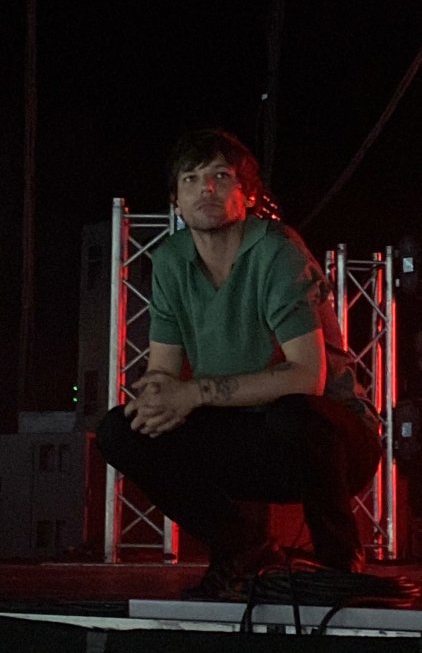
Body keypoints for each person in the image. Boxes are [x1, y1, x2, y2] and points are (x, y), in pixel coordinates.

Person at [96, 128, 381, 599]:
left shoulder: (277, 251)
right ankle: (241, 544)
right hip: (245, 435)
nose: (205, 189)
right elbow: (165, 369)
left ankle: (339, 560)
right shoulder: (170, 260)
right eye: (190, 179)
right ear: (176, 200)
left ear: (248, 195)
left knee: (295, 413)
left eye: (220, 176)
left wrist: (195, 393)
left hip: (331, 442)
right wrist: (154, 398)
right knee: (120, 430)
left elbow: (308, 377)